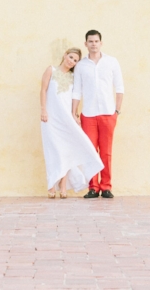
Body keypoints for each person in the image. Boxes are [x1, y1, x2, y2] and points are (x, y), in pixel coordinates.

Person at [40, 47, 104, 199]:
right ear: (64, 55)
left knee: (66, 150)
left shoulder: (73, 76)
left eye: (75, 60)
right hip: (50, 118)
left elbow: (75, 96)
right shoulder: (51, 70)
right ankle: (51, 184)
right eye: (70, 57)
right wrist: (43, 110)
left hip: (66, 119)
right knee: (52, 150)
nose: (72, 61)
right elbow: (43, 90)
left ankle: (63, 185)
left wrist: (75, 114)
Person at [72, 30, 124, 198]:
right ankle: (93, 187)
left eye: (96, 41)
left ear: (101, 43)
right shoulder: (81, 65)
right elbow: (77, 90)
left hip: (108, 113)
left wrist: (117, 111)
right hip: (88, 114)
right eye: (90, 41)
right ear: (85, 44)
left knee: (106, 151)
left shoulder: (112, 62)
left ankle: (106, 186)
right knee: (90, 151)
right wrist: (74, 112)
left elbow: (120, 88)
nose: (93, 44)